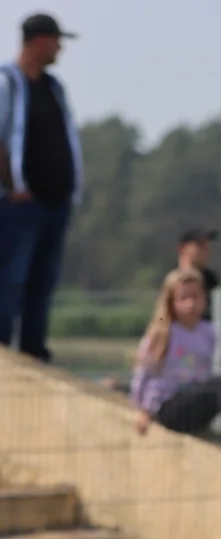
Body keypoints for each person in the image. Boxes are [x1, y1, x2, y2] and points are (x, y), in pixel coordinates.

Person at [0, 13, 83, 362]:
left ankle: (34, 352)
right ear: (38, 41)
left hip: (54, 202)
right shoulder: (8, 83)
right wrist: (13, 186)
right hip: (19, 205)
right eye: (55, 40)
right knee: (11, 279)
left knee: (42, 283)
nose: (60, 48)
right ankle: (2, 350)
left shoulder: (53, 87)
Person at [130, 268, 221, 458]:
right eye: (183, 298)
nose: (190, 303)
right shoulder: (163, 333)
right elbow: (144, 373)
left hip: (195, 399)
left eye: (196, 296)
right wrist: (142, 410)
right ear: (171, 301)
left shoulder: (208, 331)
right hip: (169, 408)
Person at [175, 228, 221, 321]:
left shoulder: (210, 279)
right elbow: (162, 314)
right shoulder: (173, 279)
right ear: (182, 248)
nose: (205, 250)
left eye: (207, 246)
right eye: (200, 245)